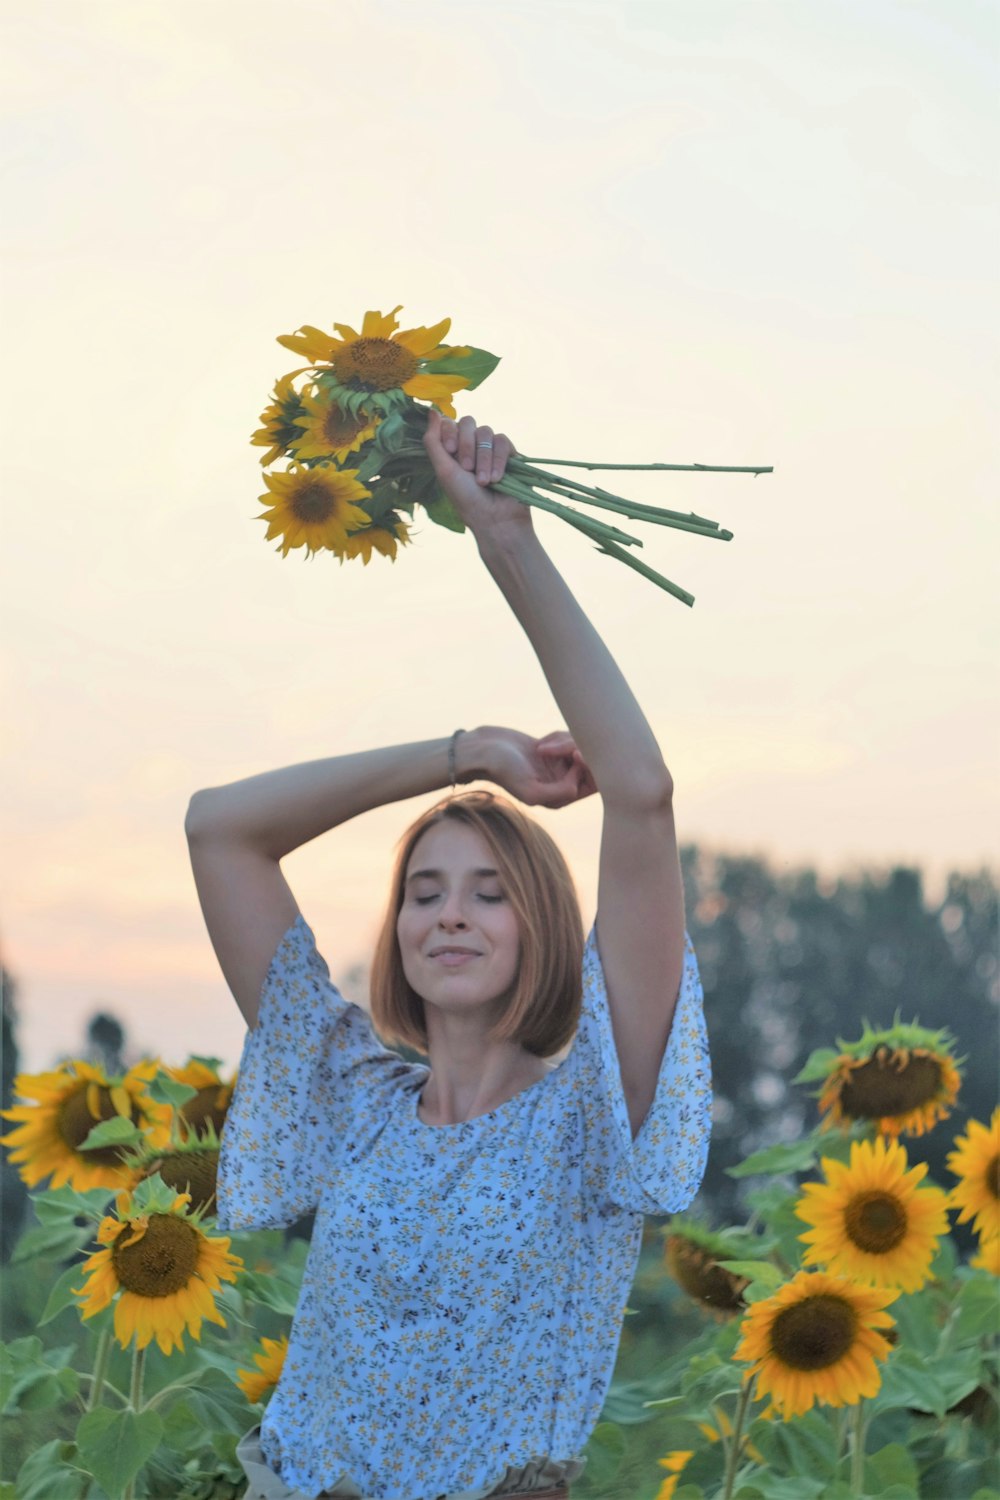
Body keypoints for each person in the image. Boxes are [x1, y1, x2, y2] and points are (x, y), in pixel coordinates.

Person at [185, 409, 713, 1500]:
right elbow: (219, 829)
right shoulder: (351, 1099)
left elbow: (643, 796)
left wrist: (506, 544)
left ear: (543, 929)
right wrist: (460, 755)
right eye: (423, 893)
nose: (449, 916)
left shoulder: (591, 1118)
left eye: (489, 894)